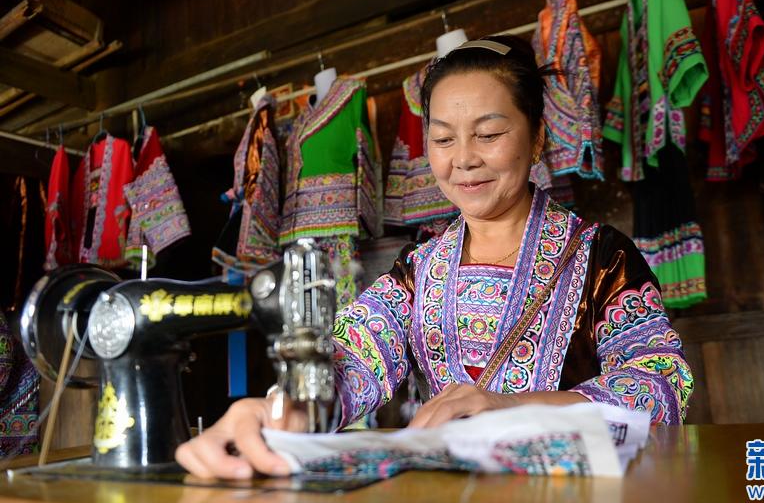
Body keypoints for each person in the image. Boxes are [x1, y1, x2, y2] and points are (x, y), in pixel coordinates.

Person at [176, 35, 694, 479]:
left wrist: (506, 405)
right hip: (446, 497)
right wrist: (278, 412)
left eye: (489, 135)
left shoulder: (603, 257)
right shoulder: (420, 267)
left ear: (537, 139)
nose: (464, 159)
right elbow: (353, 359)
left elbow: (662, 386)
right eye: (443, 139)